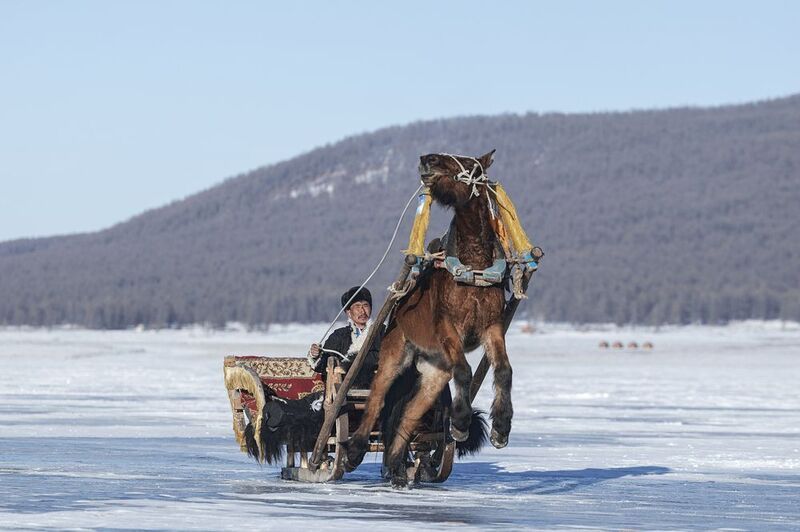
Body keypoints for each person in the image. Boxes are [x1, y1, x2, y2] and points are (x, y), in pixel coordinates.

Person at [307, 286, 383, 389]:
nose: (362, 311)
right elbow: (325, 363)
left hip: (375, 388)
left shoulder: (382, 332)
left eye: (365, 305)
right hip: (342, 392)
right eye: (357, 306)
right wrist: (316, 355)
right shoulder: (339, 336)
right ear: (349, 313)